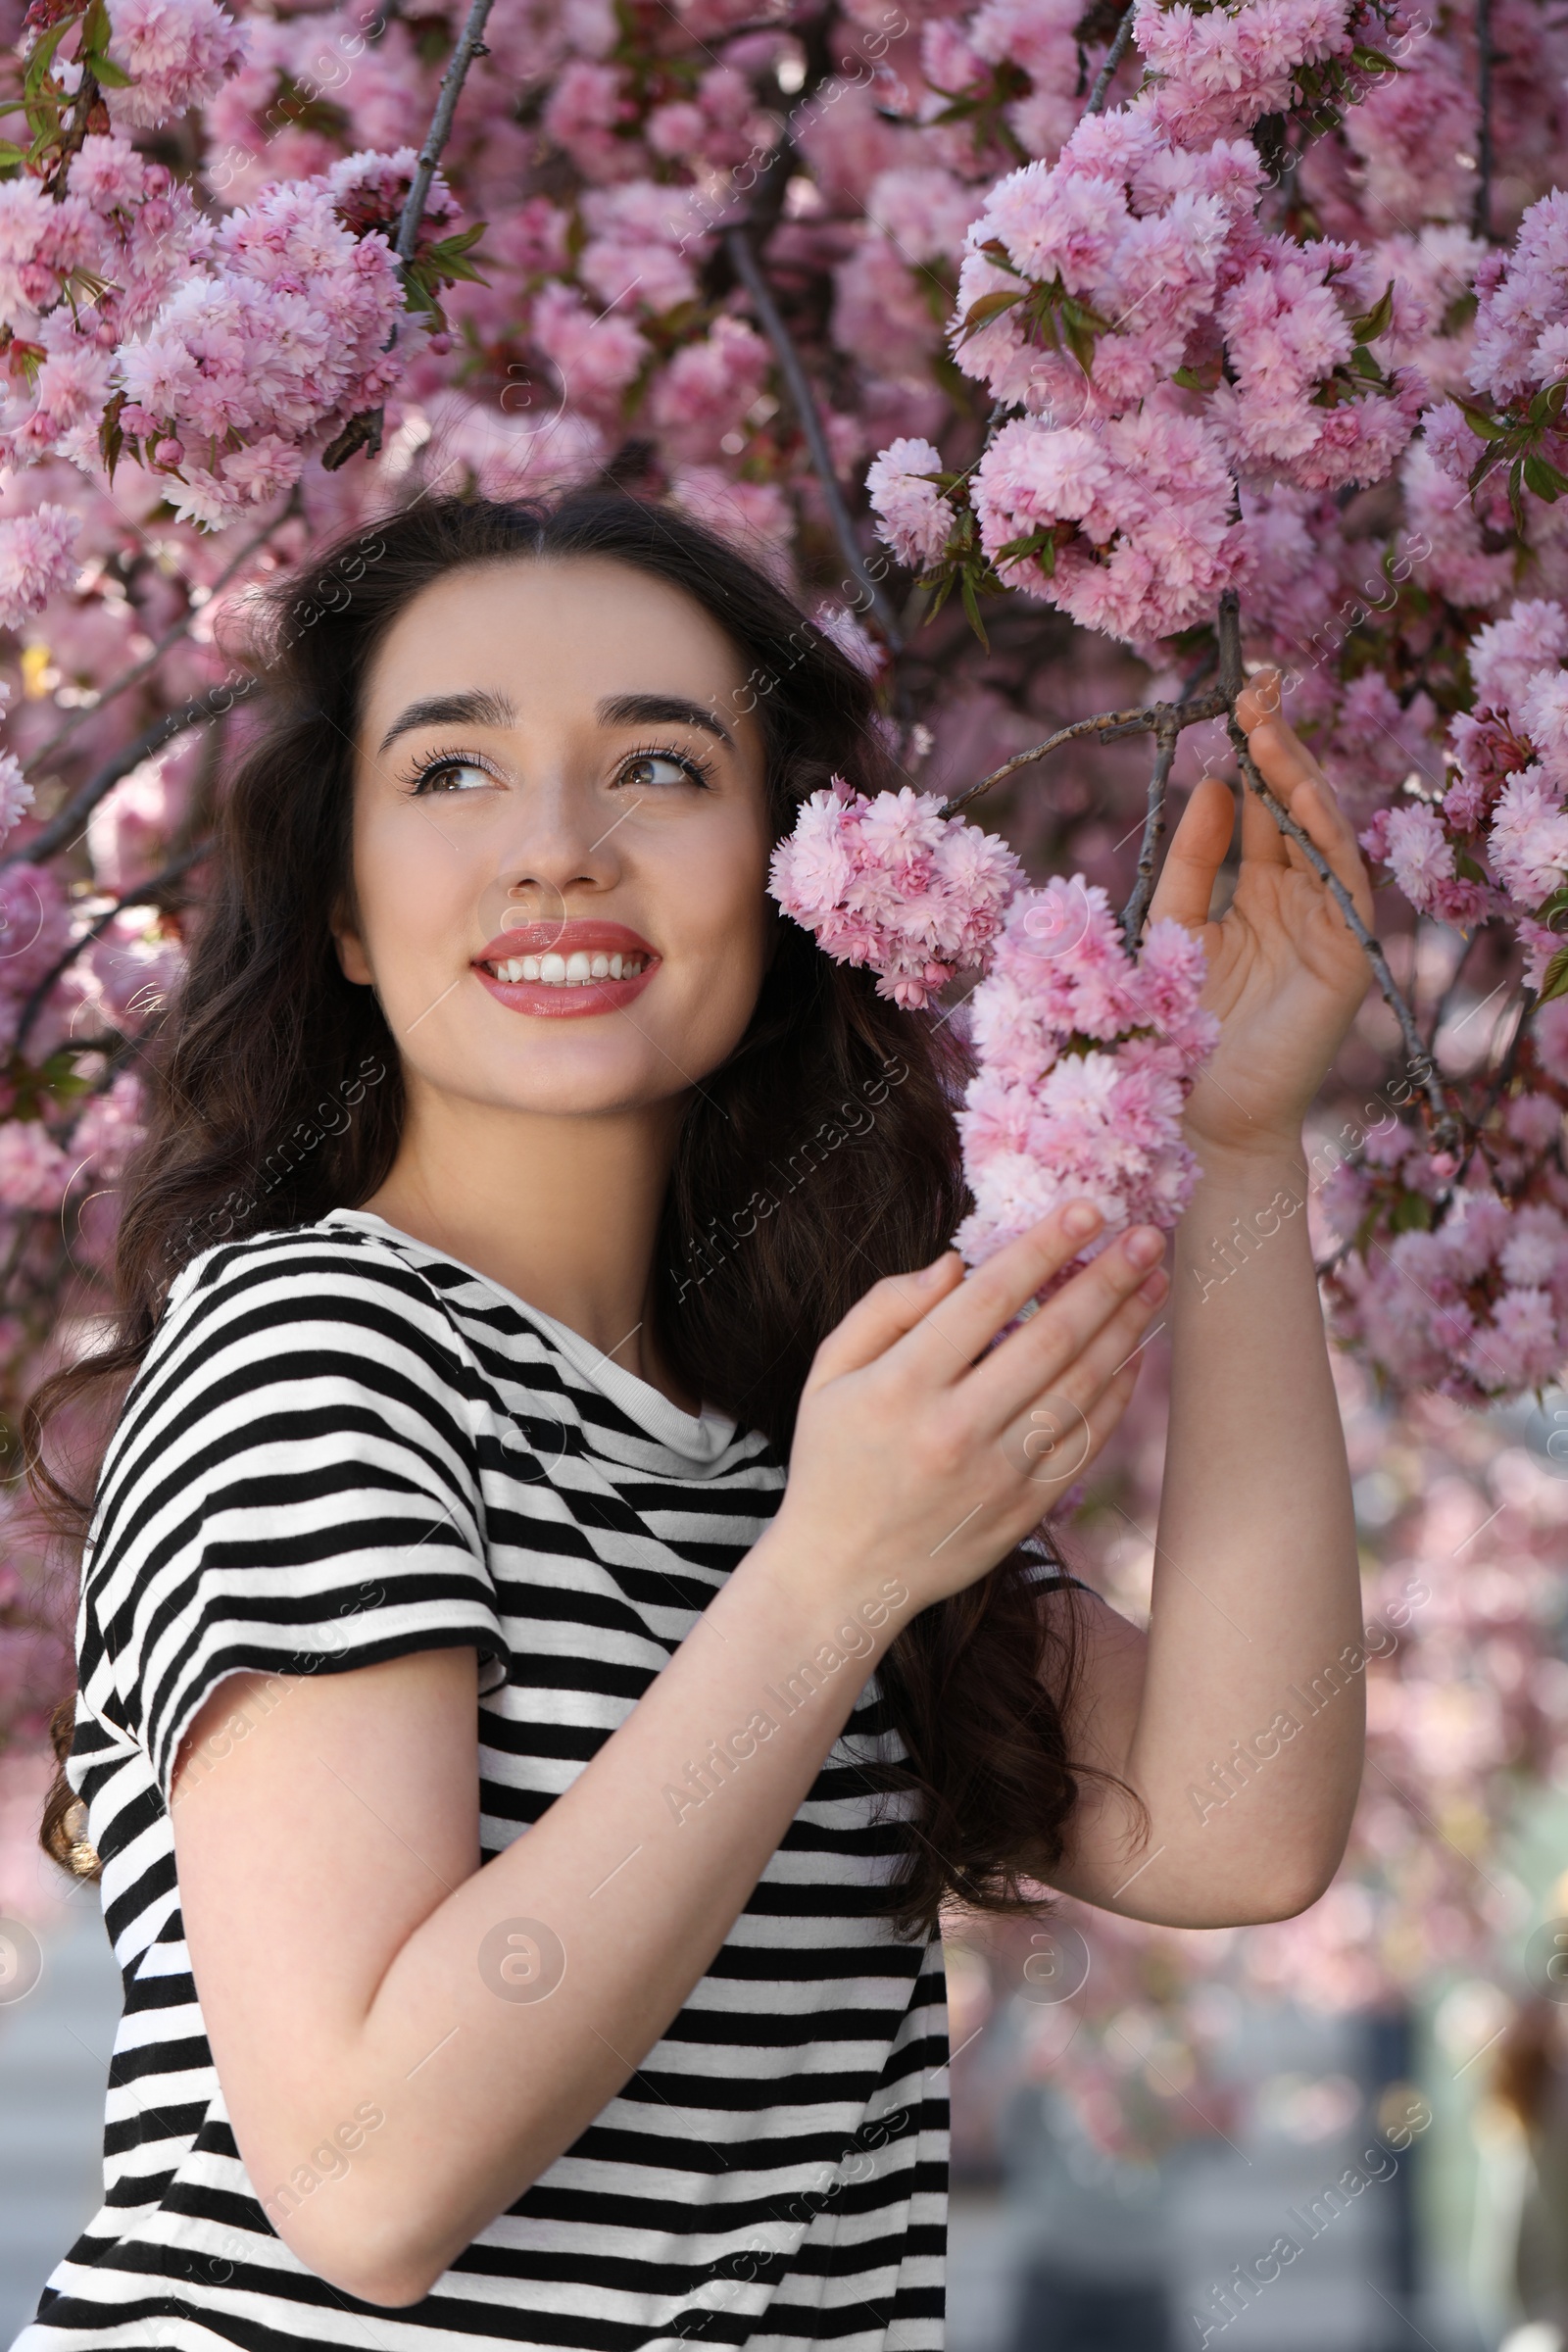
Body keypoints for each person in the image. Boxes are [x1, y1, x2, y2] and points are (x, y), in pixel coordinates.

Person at [15, 489, 1371, 2349]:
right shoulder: (316, 1352)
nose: (562, 850)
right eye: (453, 773)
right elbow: (367, 2177)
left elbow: (1238, 1821)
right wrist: (830, 1583)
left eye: (658, 766)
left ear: (789, 868)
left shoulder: (781, 1430)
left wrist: (1236, 1148)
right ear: (341, 905)